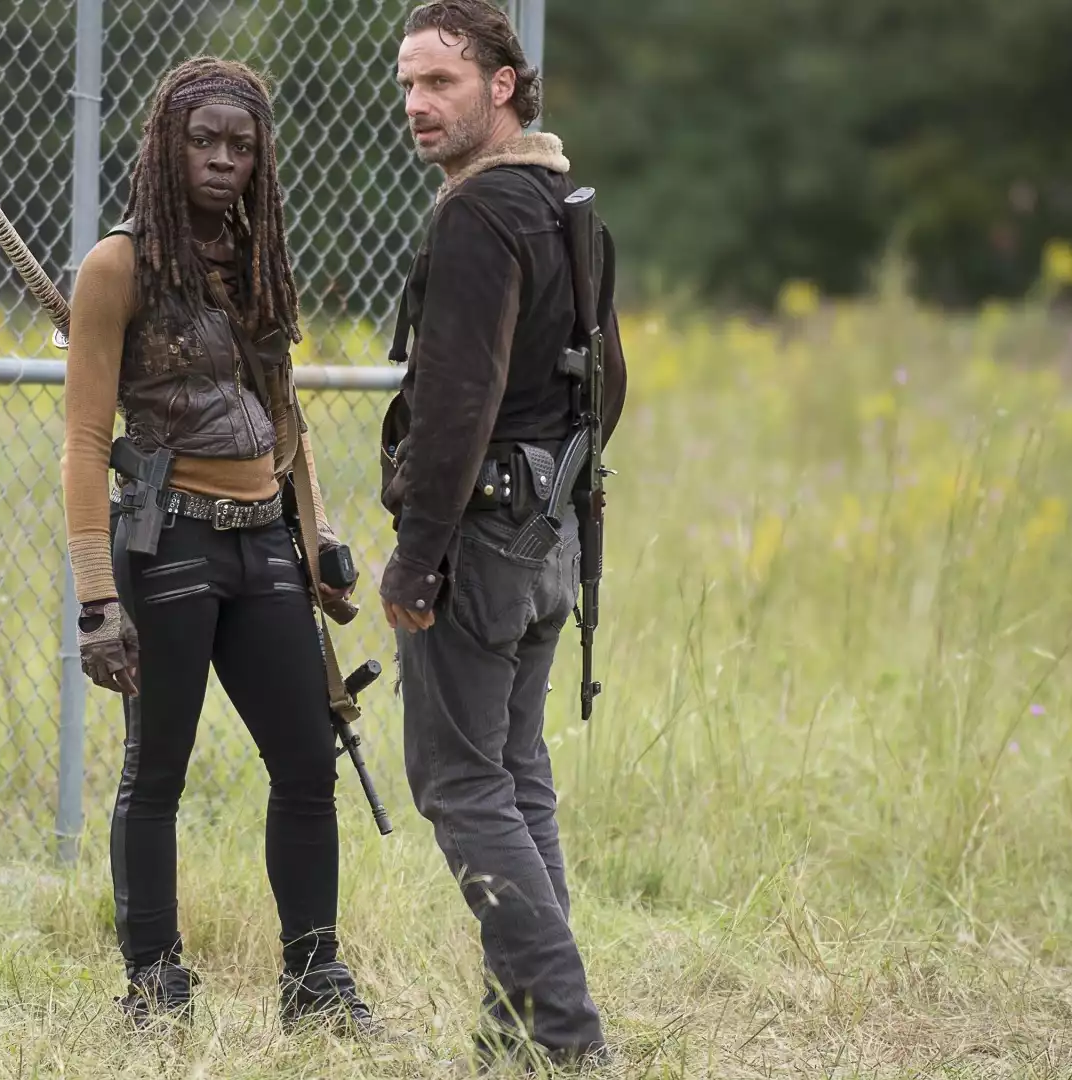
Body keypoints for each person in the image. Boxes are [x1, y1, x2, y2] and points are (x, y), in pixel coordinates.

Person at [59, 56, 378, 1035]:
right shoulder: (118, 266)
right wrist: (97, 600)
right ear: (168, 145)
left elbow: (286, 418)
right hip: (170, 545)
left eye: (241, 145)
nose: (224, 159)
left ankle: (315, 986)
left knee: (308, 761)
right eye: (205, 140)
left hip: (264, 544)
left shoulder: (257, 258)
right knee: (156, 772)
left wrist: (317, 536)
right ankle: (154, 990)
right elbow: (83, 441)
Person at [378, 0, 628, 1068]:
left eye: (439, 81)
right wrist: (552, 488)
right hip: (546, 533)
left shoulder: (478, 215)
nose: (417, 104)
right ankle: (519, 1034)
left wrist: (416, 556)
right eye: (407, 84)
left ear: (503, 85)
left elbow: (455, 401)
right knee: (515, 778)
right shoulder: (565, 202)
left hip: (480, 541)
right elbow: (610, 381)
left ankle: (562, 1037)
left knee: (463, 785)